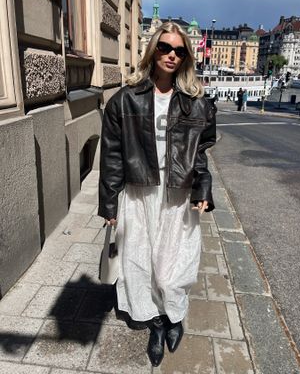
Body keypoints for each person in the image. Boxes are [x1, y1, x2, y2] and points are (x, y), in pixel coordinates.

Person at [98, 22, 216, 367]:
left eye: (179, 50)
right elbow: (112, 156)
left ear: (186, 57)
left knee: (172, 270)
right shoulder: (124, 100)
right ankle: (158, 323)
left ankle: (173, 314)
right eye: (165, 47)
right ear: (153, 50)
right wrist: (109, 204)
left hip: (179, 195)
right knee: (141, 265)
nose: (172, 55)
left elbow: (201, 153)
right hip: (139, 193)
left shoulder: (197, 104)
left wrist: (202, 189)